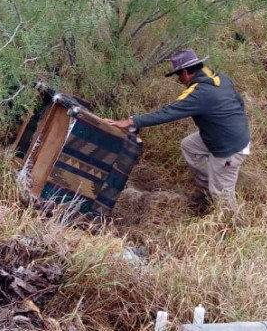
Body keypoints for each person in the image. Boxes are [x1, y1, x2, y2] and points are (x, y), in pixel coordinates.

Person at [107, 48, 251, 212]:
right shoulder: (219, 77)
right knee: (190, 146)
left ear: (185, 72)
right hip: (228, 135)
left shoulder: (199, 93)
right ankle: (208, 187)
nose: (179, 80)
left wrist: (132, 121)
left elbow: (167, 113)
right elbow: (239, 103)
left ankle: (234, 227)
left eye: (178, 75)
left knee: (223, 197)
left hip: (229, 149)